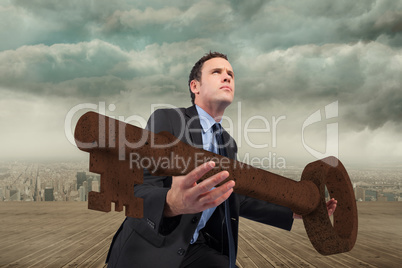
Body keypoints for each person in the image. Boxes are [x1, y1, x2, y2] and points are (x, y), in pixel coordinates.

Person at [106, 52, 337, 267]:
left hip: (195, 249)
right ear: (195, 86)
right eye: (216, 72)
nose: (226, 76)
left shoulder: (228, 143)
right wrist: (170, 203)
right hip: (150, 248)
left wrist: (291, 211)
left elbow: (236, 196)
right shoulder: (168, 119)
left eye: (230, 74)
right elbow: (138, 187)